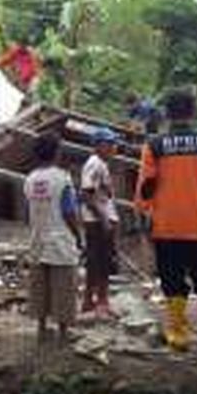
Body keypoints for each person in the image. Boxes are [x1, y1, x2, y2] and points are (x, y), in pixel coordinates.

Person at [134, 89, 197, 354]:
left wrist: (144, 215)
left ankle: (179, 336)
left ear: (166, 113)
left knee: (173, 282)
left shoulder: (154, 146)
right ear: (194, 111)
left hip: (168, 227)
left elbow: (146, 187)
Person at [24, 133, 83, 341]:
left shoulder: (30, 179)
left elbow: (29, 210)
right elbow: (68, 212)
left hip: (37, 238)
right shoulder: (62, 178)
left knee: (40, 286)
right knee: (63, 286)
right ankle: (63, 332)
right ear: (57, 152)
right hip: (60, 239)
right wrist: (78, 235)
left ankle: (41, 330)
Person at [81, 126, 120, 317]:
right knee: (100, 262)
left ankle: (91, 300)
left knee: (97, 262)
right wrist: (104, 220)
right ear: (98, 145)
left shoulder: (100, 164)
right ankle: (100, 302)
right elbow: (87, 194)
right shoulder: (95, 164)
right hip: (97, 221)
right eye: (110, 143)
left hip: (99, 220)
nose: (114, 147)